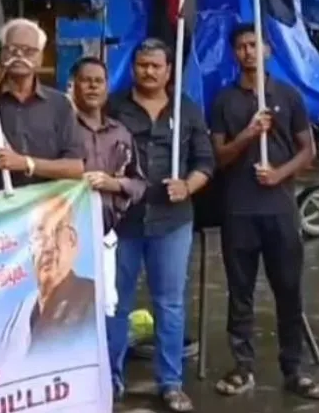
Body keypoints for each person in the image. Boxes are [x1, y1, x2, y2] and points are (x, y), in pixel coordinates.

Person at [209, 24, 319, 399]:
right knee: (240, 293)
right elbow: (219, 157)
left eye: (254, 45)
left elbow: (308, 151)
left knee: (288, 291)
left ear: (268, 50)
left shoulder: (287, 96)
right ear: (234, 53)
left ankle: (295, 369)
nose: (247, 52)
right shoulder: (225, 101)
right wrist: (247, 133)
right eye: (240, 46)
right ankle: (243, 367)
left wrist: (279, 175)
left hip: (280, 210)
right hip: (239, 211)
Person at [106, 37, 213, 412]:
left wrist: (188, 185)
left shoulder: (187, 110)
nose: (148, 71)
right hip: (121, 221)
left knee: (170, 304)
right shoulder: (114, 106)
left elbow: (205, 162)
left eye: (156, 66)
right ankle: (110, 379)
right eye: (142, 65)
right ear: (133, 67)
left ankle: (170, 382)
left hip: (172, 221)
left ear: (169, 71)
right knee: (115, 303)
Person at [0, 18, 84, 191]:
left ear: (41, 58)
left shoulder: (59, 104)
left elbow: (76, 168)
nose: (19, 56)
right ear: (1, 55)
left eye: (29, 51)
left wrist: (27, 163)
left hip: (43, 210)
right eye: (12, 49)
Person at [1, 194, 98, 355]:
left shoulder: (91, 297)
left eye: (57, 231)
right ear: (30, 249)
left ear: (72, 240)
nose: (48, 246)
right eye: (39, 234)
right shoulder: (21, 312)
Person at [70, 56, 146, 231]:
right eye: (86, 81)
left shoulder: (120, 132)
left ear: (107, 87)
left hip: (109, 231)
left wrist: (114, 184)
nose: (93, 86)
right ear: (73, 85)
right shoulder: (61, 129)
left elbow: (139, 184)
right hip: (67, 228)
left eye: (99, 81)